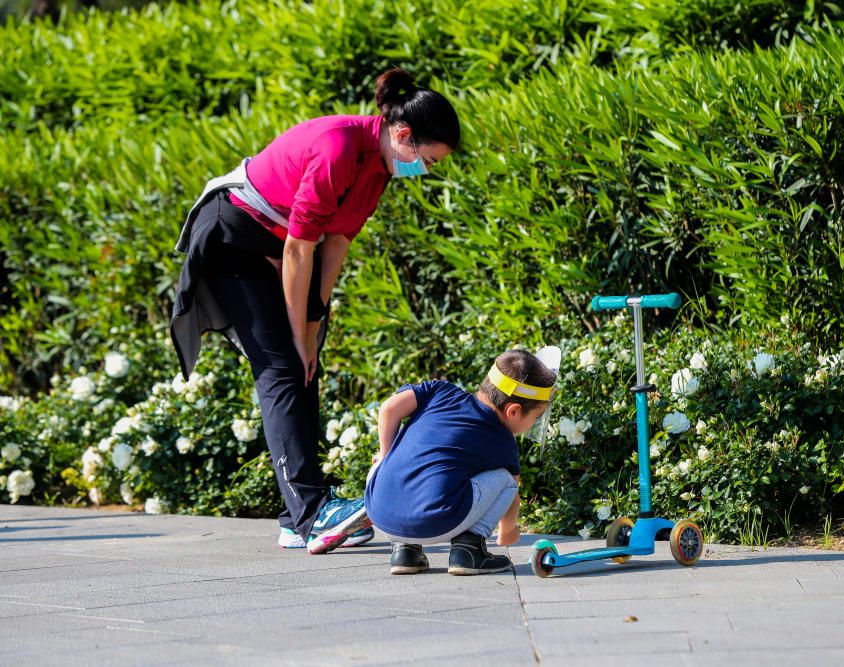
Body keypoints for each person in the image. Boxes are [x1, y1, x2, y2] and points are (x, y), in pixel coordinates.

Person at [169, 68, 460, 555]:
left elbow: (337, 244)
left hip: (275, 245)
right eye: (427, 160)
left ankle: (295, 516)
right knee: (282, 365)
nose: (426, 171)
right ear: (403, 135)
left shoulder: (379, 169)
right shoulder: (339, 147)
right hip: (232, 236)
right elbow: (300, 250)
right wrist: (298, 337)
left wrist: (313, 328)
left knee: (304, 366)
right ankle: (310, 512)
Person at [365, 350, 557, 575]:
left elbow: (389, 408)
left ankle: (404, 552)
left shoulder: (439, 391)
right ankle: (469, 550)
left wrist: (386, 457)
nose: (535, 423)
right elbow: (511, 493)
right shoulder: (503, 442)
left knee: (382, 464)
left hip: (380, 512)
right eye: (536, 417)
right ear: (513, 411)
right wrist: (508, 529)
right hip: (437, 522)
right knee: (505, 480)